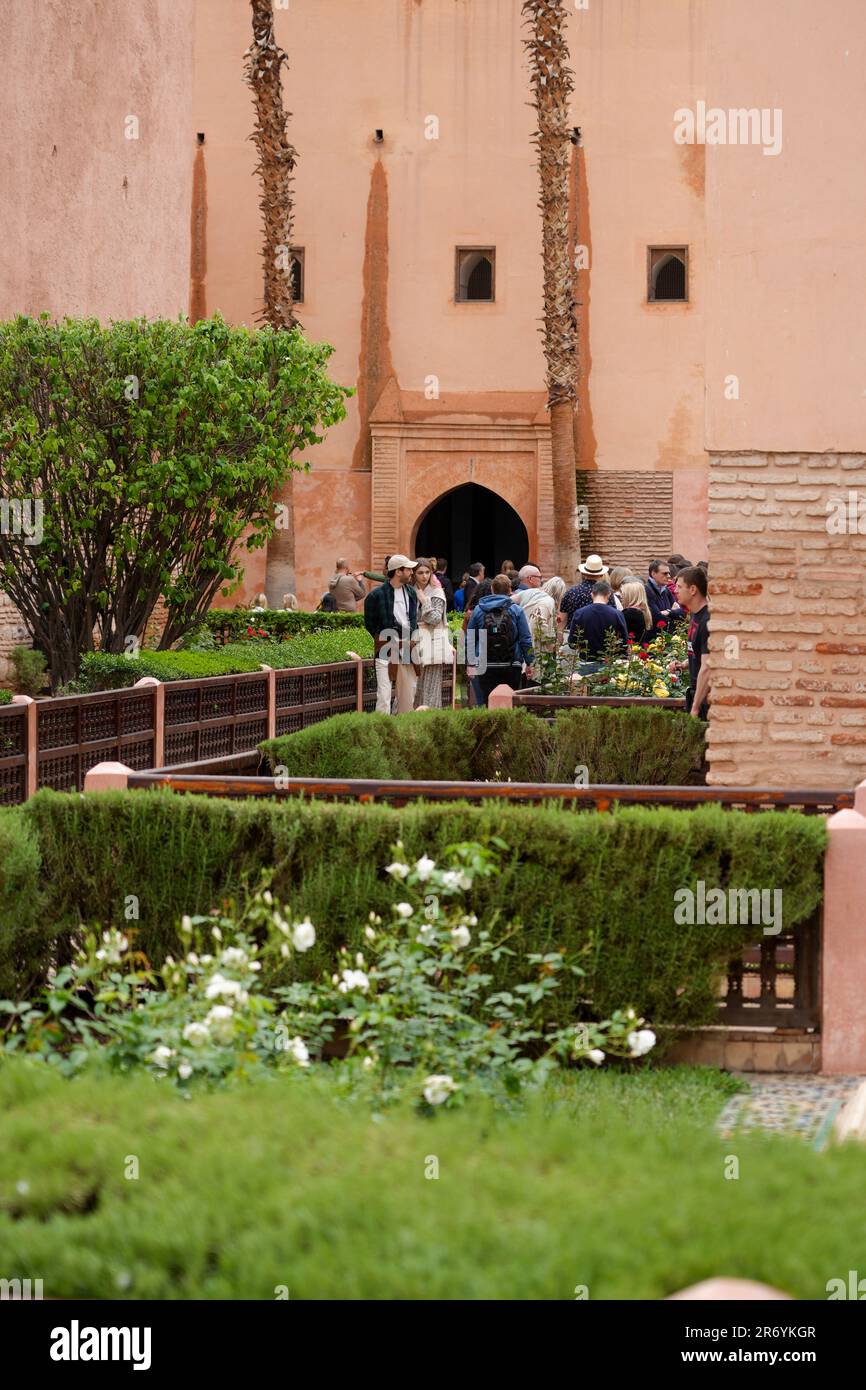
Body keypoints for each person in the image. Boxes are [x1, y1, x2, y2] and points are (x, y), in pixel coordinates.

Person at [363, 554, 418, 715]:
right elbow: (370, 624)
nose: (411, 572)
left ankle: (405, 731)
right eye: (408, 569)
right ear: (398, 571)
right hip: (385, 647)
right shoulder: (376, 595)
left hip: (407, 646)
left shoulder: (411, 593)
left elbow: (412, 620)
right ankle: (382, 732)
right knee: (384, 695)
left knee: (408, 695)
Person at [466, 573, 534, 705]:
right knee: (510, 702)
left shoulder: (479, 610)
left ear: (492, 589)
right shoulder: (516, 610)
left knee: (487, 702)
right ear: (510, 590)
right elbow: (525, 638)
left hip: (485, 665)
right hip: (512, 664)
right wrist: (530, 662)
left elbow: (470, 638)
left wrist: (470, 663)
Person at [411, 557, 454, 709]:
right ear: (414, 574)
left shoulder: (436, 592)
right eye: (420, 573)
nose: (424, 576)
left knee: (430, 689)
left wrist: (425, 602)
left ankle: (430, 721)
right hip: (412, 644)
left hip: (431, 644)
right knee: (411, 689)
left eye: (427, 572)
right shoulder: (410, 591)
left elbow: (435, 618)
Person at [676, 565, 711, 720]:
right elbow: (699, 650)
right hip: (697, 693)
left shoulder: (707, 619)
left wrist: (695, 708)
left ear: (692, 590)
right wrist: (684, 663)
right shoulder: (695, 615)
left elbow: (708, 666)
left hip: (706, 698)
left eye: (679, 586)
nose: (675, 590)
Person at [567, 580, 629, 660]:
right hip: (609, 662)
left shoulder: (580, 613)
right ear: (609, 595)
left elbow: (572, 643)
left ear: (592, 595)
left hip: (586, 661)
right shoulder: (617, 614)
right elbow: (624, 642)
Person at [462, 578, 492, 706]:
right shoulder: (497, 610)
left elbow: (465, 636)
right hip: (493, 656)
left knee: (480, 699)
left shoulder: (471, 611)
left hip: (475, 657)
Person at [561, 554, 609, 626]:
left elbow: (562, 621)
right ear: (601, 575)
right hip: (599, 635)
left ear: (583, 573)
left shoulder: (570, 592)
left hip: (574, 634)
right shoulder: (606, 594)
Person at [520, 575, 562, 645]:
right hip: (536, 644)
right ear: (557, 594)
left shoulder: (534, 594)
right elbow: (539, 624)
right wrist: (549, 643)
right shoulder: (547, 602)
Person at [645, 559, 676, 636]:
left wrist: (668, 612)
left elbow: (681, 613)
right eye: (665, 573)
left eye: (669, 573)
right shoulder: (647, 590)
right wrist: (672, 612)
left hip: (667, 636)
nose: (668, 576)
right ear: (653, 574)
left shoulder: (666, 590)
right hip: (654, 639)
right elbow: (657, 617)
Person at [619, 579, 653, 646]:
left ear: (630, 596)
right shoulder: (642, 611)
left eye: (623, 593)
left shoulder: (629, 613)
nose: (620, 596)